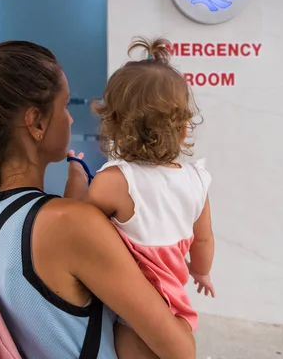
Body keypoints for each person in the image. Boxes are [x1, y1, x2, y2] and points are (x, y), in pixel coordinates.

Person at [0, 41, 195, 358]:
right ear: (37, 122)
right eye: (65, 105)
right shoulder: (69, 222)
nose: (70, 119)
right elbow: (180, 351)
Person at [66, 37, 215, 359]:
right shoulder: (197, 179)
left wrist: (77, 178)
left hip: (134, 306)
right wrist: (201, 272)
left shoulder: (116, 182)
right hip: (175, 297)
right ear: (184, 128)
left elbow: (76, 223)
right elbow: (203, 239)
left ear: (113, 125)